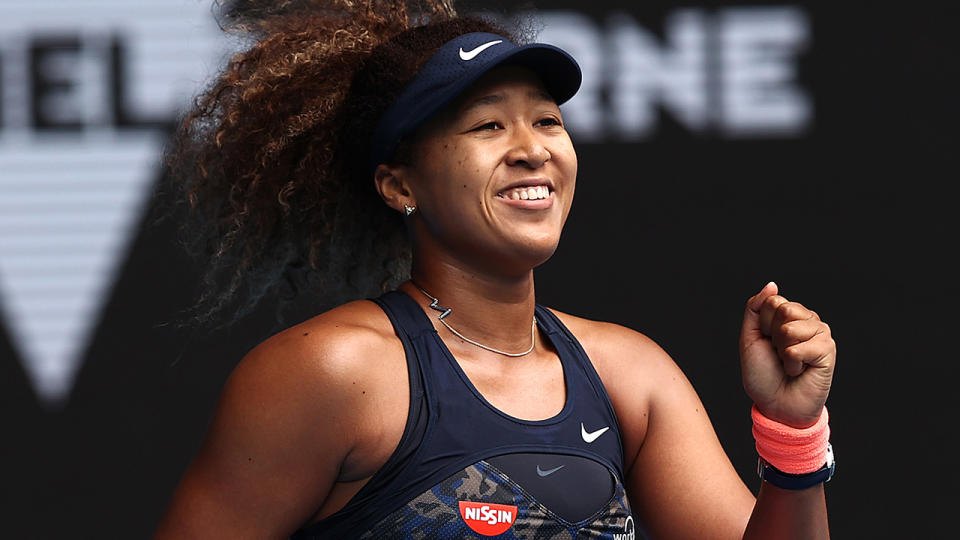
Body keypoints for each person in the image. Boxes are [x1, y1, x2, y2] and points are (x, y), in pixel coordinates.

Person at [155, 1, 837, 538]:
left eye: (546, 121)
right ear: (399, 186)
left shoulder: (629, 373)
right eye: (487, 127)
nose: (531, 150)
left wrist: (793, 433)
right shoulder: (334, 372)